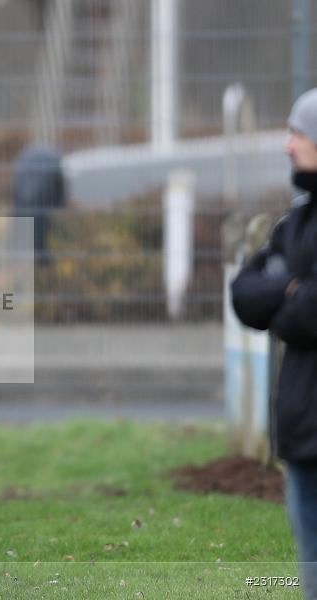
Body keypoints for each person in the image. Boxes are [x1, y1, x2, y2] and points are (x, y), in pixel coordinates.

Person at [231, 88, 317, 600]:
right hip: (303, 438)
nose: (287, 145)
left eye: (299, 132)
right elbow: (245, 294)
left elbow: (307, 312)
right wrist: (292, 290)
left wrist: (289, 294)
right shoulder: (295, 222)